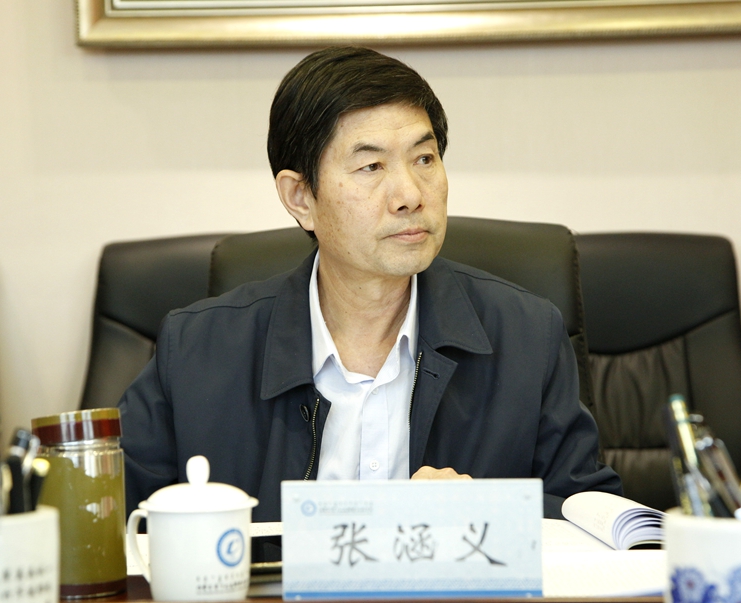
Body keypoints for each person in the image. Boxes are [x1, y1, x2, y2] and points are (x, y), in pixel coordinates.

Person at [119, 46, 621, 522]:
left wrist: (486, 510)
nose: (410, 195)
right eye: (371, 166)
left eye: (424, 159)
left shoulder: (526, 336)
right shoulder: (196, 352)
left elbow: (593, 515)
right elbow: (112, 519)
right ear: (300, 197)